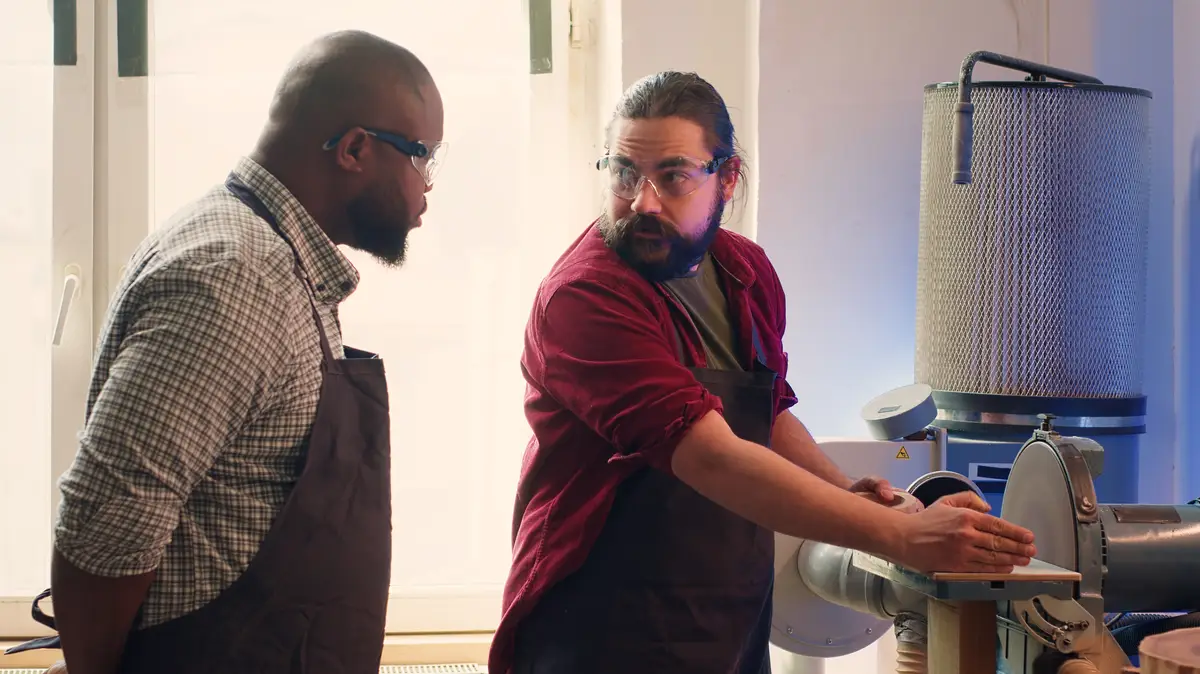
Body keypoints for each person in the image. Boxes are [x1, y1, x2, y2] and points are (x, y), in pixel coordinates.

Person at [489, 71, 1037, 674]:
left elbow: (764, 412)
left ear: (727, 177)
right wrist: (901, 539)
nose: (642, 201)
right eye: (623, 173)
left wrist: (850, 491)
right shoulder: (586, 297)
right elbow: (711, 456)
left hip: (728, 620)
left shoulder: (743, 271)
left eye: (672, 176)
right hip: (599, 628)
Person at [6, 30, 445, 674]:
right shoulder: (236, 275)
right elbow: (107, 524)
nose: (427, 185)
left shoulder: (283, 263)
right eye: (422, 157)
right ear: (354, 149)